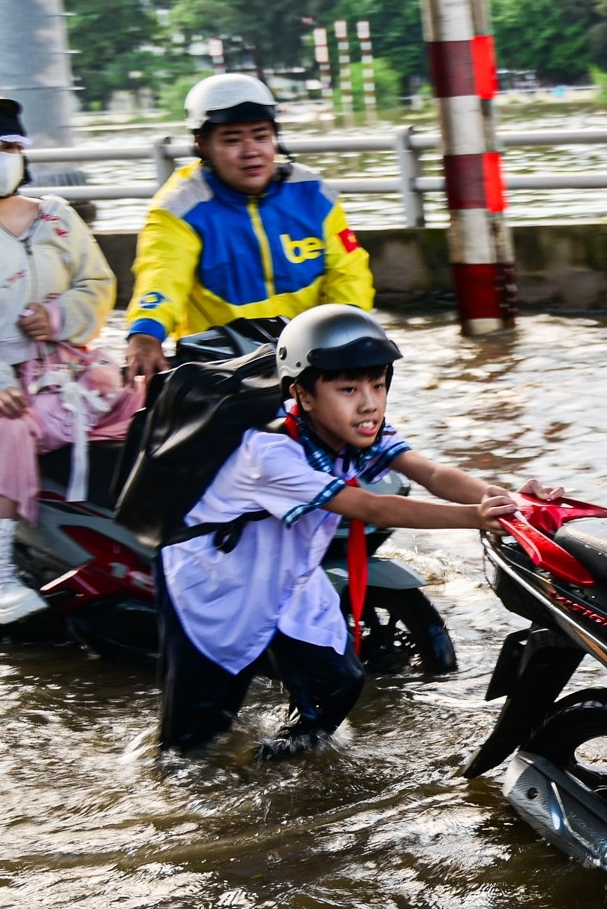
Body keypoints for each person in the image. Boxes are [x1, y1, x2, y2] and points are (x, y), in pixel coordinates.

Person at [158, 304, 562, 755]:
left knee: (339, 683)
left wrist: (506, 499)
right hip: (217, 585)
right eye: (348, 388)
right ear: (303, 396)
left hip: (287, 575)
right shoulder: (269, 453)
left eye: (378, 385)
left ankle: (278, 766)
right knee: (195, 738)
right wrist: (476, 518)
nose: (368, 402)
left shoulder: (360, 429)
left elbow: (431, 472)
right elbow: (370, 506)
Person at [0, 88, 141, 625]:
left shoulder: (56, 216)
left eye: (8, 142)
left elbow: (98, 283)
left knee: (159, 404)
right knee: (5, 429)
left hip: (71, 371)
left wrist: (60, 317)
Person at [124, 73, 374, 379]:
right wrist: (145, 334)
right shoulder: (178, 210)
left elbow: (348, 272)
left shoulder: (314, 194)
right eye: (232, 140)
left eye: (261, 136)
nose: (251, 151)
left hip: (314, 364)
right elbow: (161, 278)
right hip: (224, 372)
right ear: (202, 144)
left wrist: (346, 333)